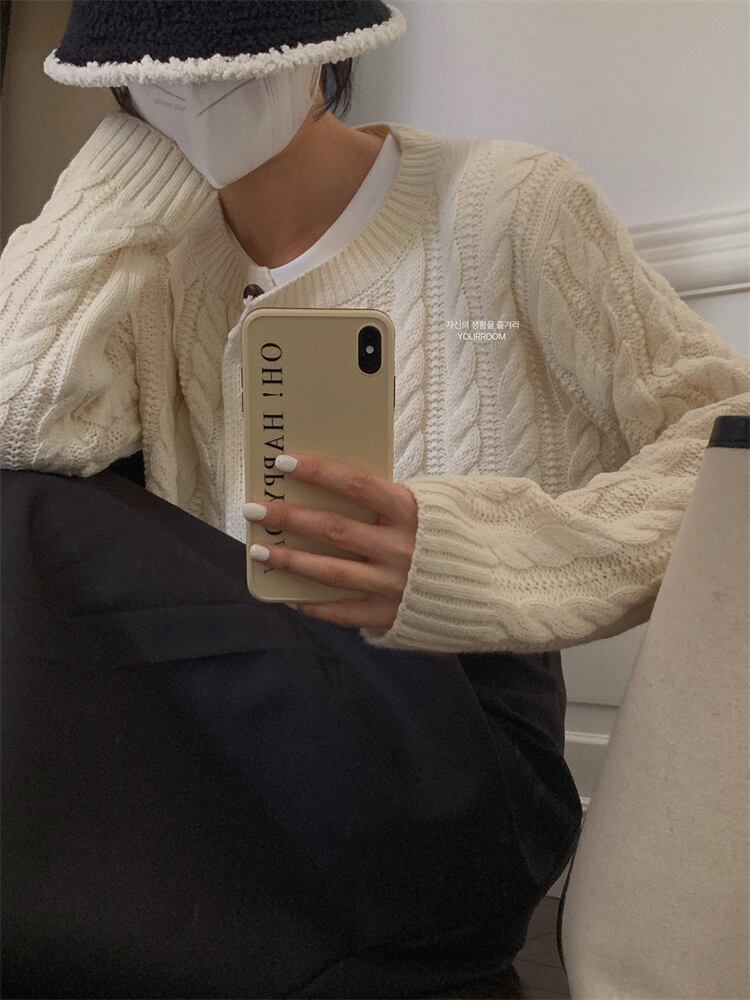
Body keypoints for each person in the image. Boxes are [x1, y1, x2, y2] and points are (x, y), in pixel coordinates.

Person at [1, 1, 748, 997]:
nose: (194, 85)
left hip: (456, 748)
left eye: (230, 56)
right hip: (244, 743)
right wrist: (121, 182)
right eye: (155, 66)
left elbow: (726, 447)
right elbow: (16, 427)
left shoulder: (508, 204)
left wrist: (472, 557)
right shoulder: (158, 270)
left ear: (324, 46)